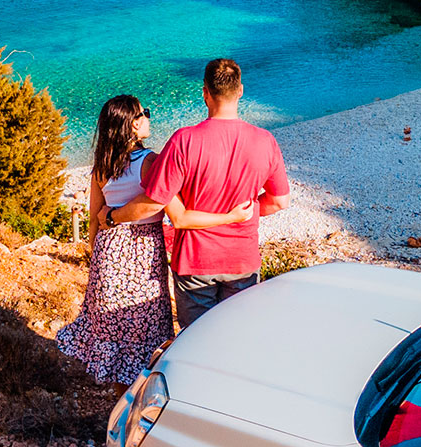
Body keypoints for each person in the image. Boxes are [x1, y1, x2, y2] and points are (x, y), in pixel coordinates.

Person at [56, 95, 253, 383]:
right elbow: (173, 208)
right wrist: (229, 215)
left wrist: (96, 257)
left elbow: (94, 219)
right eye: (144, 113)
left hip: (108, 250)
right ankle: (141, 396)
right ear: (134, 125)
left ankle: (116, 390)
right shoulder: (150, 161)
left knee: (114, 324)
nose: (149, 117)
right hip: (141, 248)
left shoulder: (101, 166)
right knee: (143, 322)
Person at [110, 58, 289, 327]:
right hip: (242, 259)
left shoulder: (184, 141)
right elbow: (279, 201)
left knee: (195, 340)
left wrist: (113, 215)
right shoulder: (265, 141)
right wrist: (245, 212)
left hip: (195, 261)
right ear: (240, 90)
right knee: (238, 337)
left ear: (205, 92)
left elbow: (153, 202)